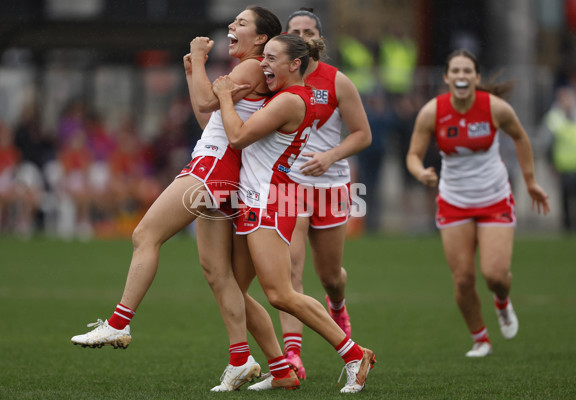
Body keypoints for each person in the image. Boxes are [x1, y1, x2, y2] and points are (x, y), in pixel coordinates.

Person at [70, 6, 282, 392]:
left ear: (262, 39)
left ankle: (118, 323)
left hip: (211, 169)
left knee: (144, 235)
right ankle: (244, 360)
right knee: (218, 275)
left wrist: (199, 59)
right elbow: (212, 120)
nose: (232, 26)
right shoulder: (250, 72)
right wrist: (192, 73)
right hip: (221, 171)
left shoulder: (251, 67)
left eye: (241, 23)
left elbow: (204, 104)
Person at [212, 33, 376, 394]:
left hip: (269, 202)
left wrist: (224, 96)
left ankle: (354, 353)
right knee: (234, 289)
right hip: (260, 199)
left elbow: (237, 137)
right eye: (263, 57)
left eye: (271, 58)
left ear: (295, 64)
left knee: (280, 294)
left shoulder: (290, 100)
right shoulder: (284, 95)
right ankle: (280, 368)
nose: (263, 64)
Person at [406, 49, 550, 357]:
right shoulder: (433, 111)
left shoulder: (495, 108)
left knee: (495, 275)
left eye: (467, 71)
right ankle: (481, 338)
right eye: (455, 71)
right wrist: (422, 173)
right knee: (463, 279)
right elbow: (413, 156)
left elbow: (521, 138)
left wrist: (531, 182)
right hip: (454, 201)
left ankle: (501, 301)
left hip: (494, 197)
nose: (461, 76)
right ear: (446, 77)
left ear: (476, 77)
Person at [274, 8, 372, 379]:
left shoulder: (337, 81)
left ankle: (337, 303)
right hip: (289, 187)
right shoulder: (276, 78)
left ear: (319, 38)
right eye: (295, 30)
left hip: (331, 187)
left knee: (330, 275)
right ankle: (293, 354)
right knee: (290, 272)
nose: (303, 35)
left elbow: (363, 133)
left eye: (309, 30)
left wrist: (330, 156)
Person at [542, 84, 576, 231]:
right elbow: (547, 144)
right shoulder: (553, 118)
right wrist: (552, 164)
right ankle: (567, 228)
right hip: (562, 167)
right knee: (564, 200)